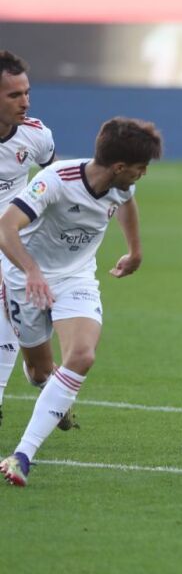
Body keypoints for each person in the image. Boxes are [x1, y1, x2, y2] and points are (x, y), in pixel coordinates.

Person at [0, 117, 161, 486]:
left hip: (76, 278)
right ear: (119, 167)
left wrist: (134, 251)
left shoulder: (121, 186)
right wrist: (31, 271)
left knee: (83, 355)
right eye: (140, 168)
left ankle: (22, 455)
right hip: (25, 281)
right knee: (40, 372)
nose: (143, 174)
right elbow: (6, 228)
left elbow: (127, 203)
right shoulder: (56, 181)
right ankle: (53, 389)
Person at [0, 51, 56, 428]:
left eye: (27, 93)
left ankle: (44, 380)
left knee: (40, 370)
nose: (25, 102)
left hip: (13, 240)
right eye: (14, 95)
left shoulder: (36, 136)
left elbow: (57, 183)